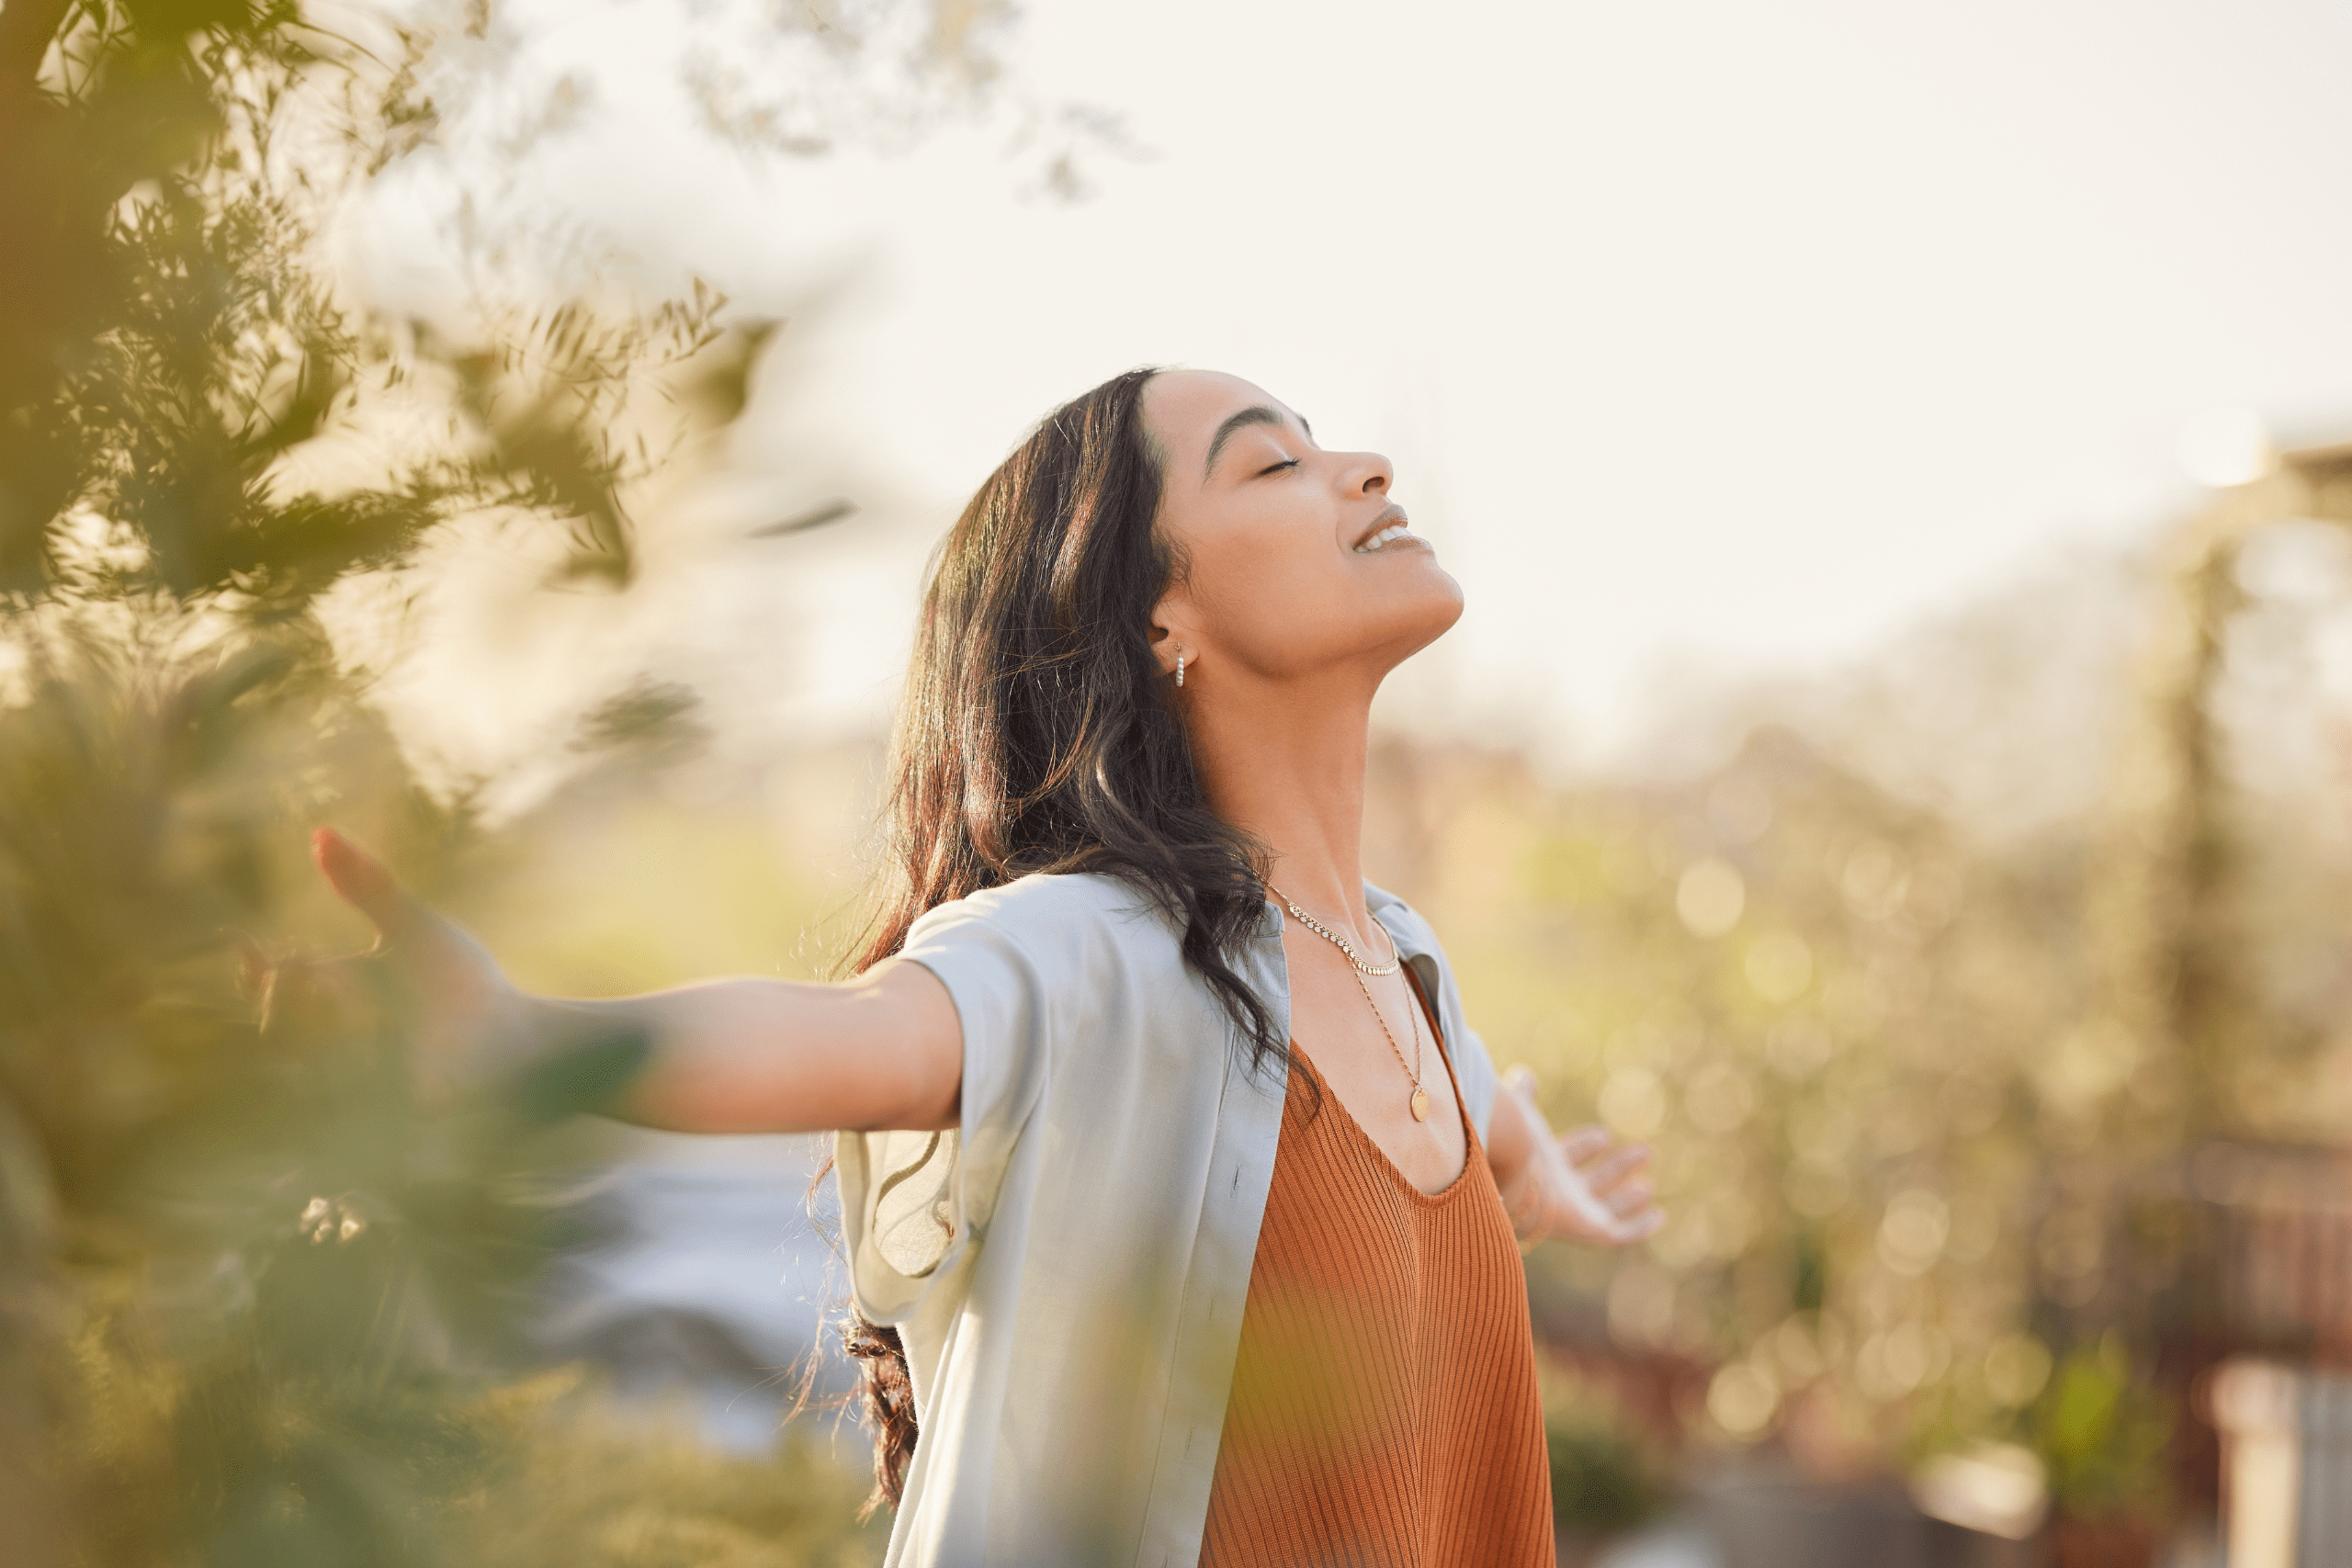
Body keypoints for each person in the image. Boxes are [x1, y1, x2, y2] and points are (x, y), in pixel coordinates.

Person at [311, 367, 1664, 1567]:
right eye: (1273, 462)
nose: (1364, 468)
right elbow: (859, 1036)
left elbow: (1469, 1115)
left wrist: (1529, 1169)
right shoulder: (1097, 950)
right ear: (1157, 620)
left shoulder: (1406, 967)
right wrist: (521, 1044)